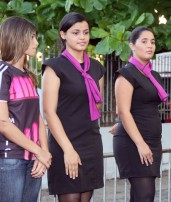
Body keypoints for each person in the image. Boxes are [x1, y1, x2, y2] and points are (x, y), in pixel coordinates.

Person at [42, 12, 105, 202]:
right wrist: (68, 150)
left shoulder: (96, 67)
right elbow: (49, 112)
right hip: (65, 143)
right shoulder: (54, 67)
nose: (82, 37)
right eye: (75, 32)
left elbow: (98, 104)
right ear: (63, 35)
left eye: (85, 33)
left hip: (91, 141)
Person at [113, 26, 168, 202]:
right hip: (134, 142)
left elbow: (143, 106)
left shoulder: (154, 76)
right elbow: (123, 110)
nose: (150, 46)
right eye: (144, 41)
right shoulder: (126, 74)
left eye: (152, 42)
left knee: (140, 196)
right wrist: (140, 144)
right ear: (132, 45)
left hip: (152, 141)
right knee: (145, 195)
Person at [0, 16, 52, 202]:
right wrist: (39, 151)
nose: (36, 42)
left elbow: (37, 117)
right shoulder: (3, 73)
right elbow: (3, 123)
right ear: (17, 37)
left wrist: (43, 153)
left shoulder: (29, 76)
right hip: (9, 159)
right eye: (32, 37)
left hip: (33, 159)